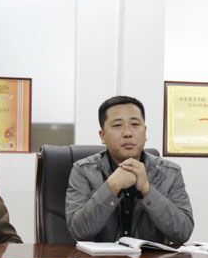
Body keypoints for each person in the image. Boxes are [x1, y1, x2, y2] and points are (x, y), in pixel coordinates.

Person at [66, 95, 194, 247]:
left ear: (145, 131)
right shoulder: (83, 171)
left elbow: (183, 233)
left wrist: (147, 191)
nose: (128, 133)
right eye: (117, 125)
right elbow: (79, 232)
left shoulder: (170, 172)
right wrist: (111, 187)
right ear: (103, 136)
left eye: (135, 124)